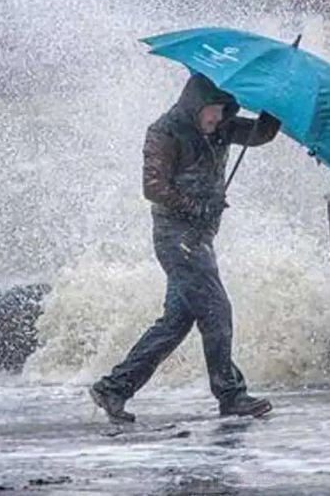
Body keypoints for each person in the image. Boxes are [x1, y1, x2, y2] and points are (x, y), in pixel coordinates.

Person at [90, 73, 281, 423]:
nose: (217, 119)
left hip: (200, 238)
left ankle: (113, 388)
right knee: (217, 310)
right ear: (195, 105)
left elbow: (261, 134)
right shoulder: (164, 132)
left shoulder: (222, 127)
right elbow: (153, 187)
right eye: (212, 111)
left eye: (224, 111)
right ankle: (231, 394)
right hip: (175, 237)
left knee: (175, 322)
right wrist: (196, 207)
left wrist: (275, 106)